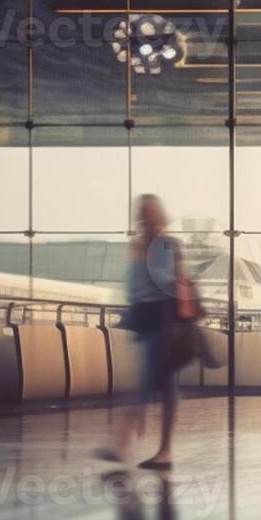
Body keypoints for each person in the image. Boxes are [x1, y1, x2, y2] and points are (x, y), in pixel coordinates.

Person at [107, 194, 183, 470]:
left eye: (148, 213)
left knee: (150, 383)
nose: (144, 217)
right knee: (162, 385)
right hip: (147, 320)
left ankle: (126, 442)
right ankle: (159, 449)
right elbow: (134, 285)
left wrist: (151, 263)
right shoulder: (140, 246)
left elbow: (165, 282)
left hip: (163, 321)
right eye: (142, 212)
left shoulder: (163, 246)